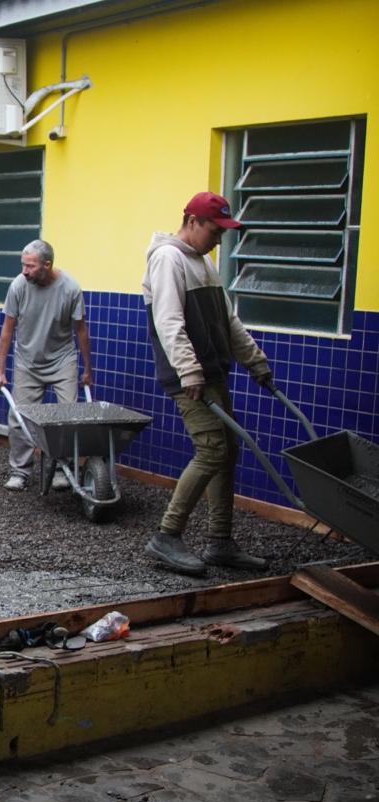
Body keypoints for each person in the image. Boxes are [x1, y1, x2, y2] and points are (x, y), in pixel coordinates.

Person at [142, 191, 274, 577]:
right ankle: (167, 536)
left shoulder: (204, 262)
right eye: (215, 230)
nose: (219, 238)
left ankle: (219, 542)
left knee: (228, 450)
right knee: (213, 450)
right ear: (192, 221)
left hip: (211, 372)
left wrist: (255, 361)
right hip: (191, 378)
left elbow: (228, 322)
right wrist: (189, 371)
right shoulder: (168, 259)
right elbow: (169, 322)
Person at [0, 240, 93, 491]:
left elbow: (81, 331)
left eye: (30, 266)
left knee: (68, 416)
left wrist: (88, 370)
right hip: (27, 361)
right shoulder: (18, 286)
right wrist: (0, 370)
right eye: (23, 265)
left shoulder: (70, 288)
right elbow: (7, 329)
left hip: (62, 360)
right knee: (19, 417)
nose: (25, 271)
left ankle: (62, 469)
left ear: (47, 265)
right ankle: (20, 471)